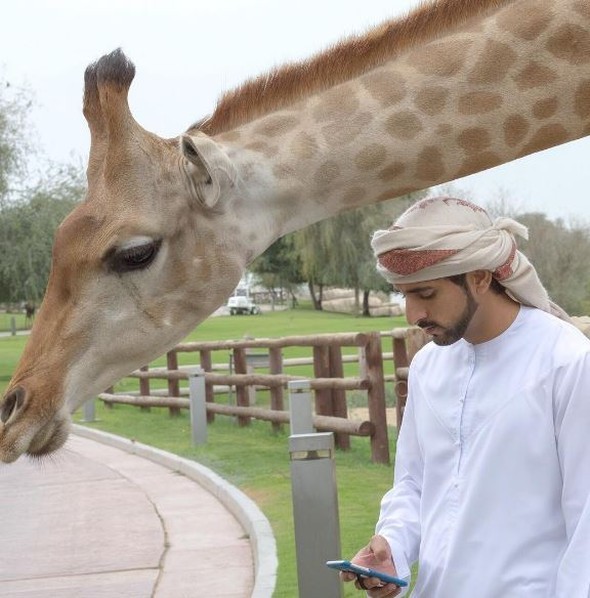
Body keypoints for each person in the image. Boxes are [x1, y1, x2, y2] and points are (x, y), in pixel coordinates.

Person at [341, 197, 590, 597]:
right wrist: (394, 547)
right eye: (404, 295)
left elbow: (587, 523)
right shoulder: (427, 368)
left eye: (425, 293)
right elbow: (414, 484)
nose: (412, 314)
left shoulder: (566, 361)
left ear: (479, 278)